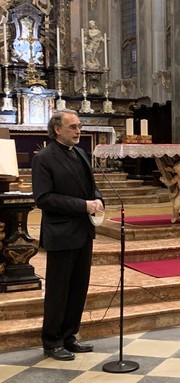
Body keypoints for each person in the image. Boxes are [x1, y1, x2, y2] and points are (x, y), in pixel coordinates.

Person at [31, 109, 104, 361]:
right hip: (61, 233)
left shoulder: (81, 153)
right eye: (72, 126)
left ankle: (70, 336)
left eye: (79, 126)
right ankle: (52, 341)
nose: (78, 130)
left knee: (78, 288)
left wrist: (98, 200)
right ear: (57, 129)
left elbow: (91, 188)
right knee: (58, 290)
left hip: (83, 232)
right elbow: (44, 198)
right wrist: (83, 205)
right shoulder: (44, 158)